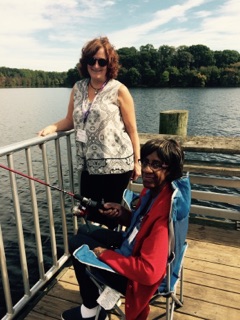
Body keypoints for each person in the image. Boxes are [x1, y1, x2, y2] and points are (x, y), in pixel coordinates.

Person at [61, 138, 190, 320]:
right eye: (144, 162)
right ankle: (99, 299)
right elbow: (143, 225)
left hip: (141, 281)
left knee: (76, 244)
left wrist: (105, 254)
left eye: (156, 165)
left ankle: (91, 311)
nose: (146, 169)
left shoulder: (163, 219)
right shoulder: (158, 191)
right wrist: (123, 214)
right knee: (84, 232)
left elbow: (149, 273)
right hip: (134, 247)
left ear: (171, 170)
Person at [38, 36, 141, 229]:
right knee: (90, 210)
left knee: (111, 213)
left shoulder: (119, 90)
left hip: (116, 165)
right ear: (85, 63)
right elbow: (70, 120)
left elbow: (132, 129)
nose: (95, 65)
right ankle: (93, 247)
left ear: (109, 64)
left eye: (101, 61)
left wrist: (137, 162)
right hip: (87, 165)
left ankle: (111, 250)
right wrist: (52, 127)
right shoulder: (78, 88)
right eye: (91, 60)